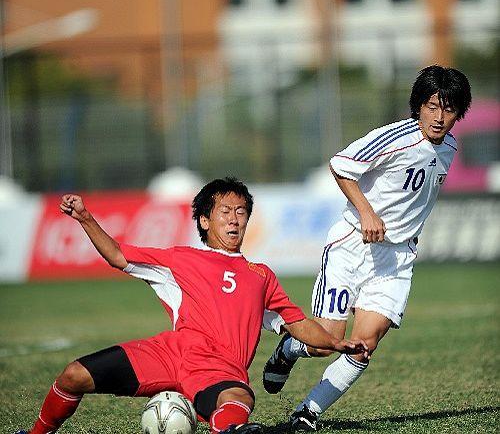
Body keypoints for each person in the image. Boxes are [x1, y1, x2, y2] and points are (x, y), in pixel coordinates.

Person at [16, 177, 369, 434]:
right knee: (73, 375)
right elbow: (118, 255)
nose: (234, 219)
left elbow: (297, 324)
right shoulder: (179, 260)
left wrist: (337, 343)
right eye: (225, 211)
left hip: (219, 369)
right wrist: (85, 217)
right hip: (170, 353)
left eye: (242, 212)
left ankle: (235, 431)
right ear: (204, 220)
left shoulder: (261, 276)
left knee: (237, 400)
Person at [262, 65, 472, 431]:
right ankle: (291, 347)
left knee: (363, 346)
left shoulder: (450, 147)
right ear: (418, 105)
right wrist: (367, 212)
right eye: (432, 106)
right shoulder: (396, 137)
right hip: (353, 246)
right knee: (328, 341)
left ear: (459, 113)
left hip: (396, 258)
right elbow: (341, 165)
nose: (439, 117)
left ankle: (306, 414)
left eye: (449, 109)